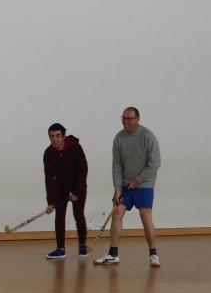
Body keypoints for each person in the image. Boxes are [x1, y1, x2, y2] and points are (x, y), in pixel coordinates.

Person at [94, 107, 162, 267]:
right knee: (117, 213)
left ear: (138, 119)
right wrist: (118, 188)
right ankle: (113, 254)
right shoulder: (119, 138)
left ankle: (153, 254)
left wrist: (137, 180)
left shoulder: (148, 136)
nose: (126, 121)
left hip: (144, 184)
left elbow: (155, 164)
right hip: (125, 184)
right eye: (123, 118)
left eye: (129, 118)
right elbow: (116, 166)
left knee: (145, 215)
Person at [43, 123, 88, 259]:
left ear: (63, 136)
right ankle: (60, 249)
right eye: (51, 136)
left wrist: (76, 192)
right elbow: (49, 178)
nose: (54, 140)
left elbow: (83, 170)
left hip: (78, 185)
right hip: (61, 186)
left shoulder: (75, 148)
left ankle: (82, 245)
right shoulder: (48, 153)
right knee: (59, 216)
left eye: (57, 136)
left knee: (78, 214)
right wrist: (50, 202)